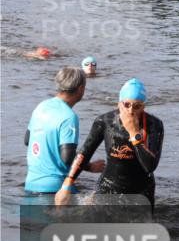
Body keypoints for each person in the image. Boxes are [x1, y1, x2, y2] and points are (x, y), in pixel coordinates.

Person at [55, 78, 164, 207]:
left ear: (143, 107)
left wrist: (134, 133)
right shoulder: (105, 121)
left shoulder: (153, 125)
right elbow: (85, 152)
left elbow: (150, 166)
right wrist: (67, 184)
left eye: (137, 106)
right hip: (109, 186)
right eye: (127, 105)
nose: (131, 111)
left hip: (141, 191)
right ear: (119, 104)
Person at [24, 67, 103, 195]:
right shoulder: (69, 116)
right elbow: (67, 158)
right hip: (55, 188)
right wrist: (90, 167)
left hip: (31, 184)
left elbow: (27, 140)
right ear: (81, 88)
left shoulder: (41, 106)